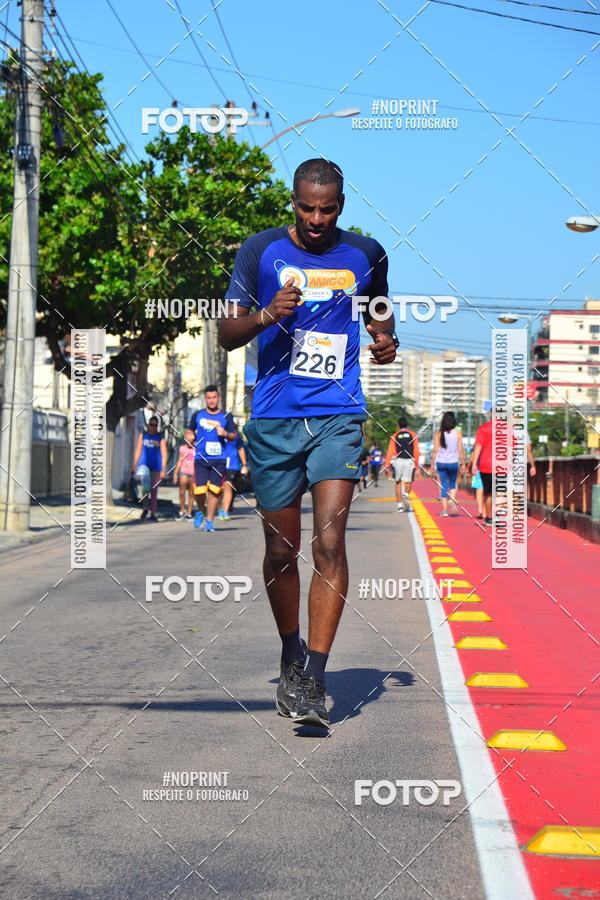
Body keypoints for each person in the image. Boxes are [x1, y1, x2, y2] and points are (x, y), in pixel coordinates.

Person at [218, 158, 397, 728]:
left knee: (330, 544)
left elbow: (380, 312)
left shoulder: (366, 254)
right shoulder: (261, 251)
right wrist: (269, 314)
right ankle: (290, 652)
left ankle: (314, 677)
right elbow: (226, 334)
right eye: (306, 208)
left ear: (341, 205)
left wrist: (385, 340)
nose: (316, 219)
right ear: (293, 203)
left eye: (327, 209)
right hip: (273, 419)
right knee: (280, 551)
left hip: (337, 415)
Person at [188, 386, 238, 533]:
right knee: (199, 490)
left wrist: (226, 433)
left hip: (219, 459)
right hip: (201, 458)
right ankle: (200, 511)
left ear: (219, 398)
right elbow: (189, 430)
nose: (211, 400)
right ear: (205, 399)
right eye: (209, 398)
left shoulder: (226, 416)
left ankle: (209, 521)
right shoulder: (197, 415)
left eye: (214, 397)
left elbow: (233, 435)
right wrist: (189, 436)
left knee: (215, 491)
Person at [131, 415, 167, 522]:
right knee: (146, 489)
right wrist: (133, 465)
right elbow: (138, 451)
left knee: (154, 491)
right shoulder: (143, 436)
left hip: (156, 467)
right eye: (151, 425)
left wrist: (164, 469)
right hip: (143, 466)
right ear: (148, 425)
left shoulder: (160, 438)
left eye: (155, 425)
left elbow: (164, 454)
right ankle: (145, 508)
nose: (153, 427)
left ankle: (153, 512)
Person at [430, 412, 465, 517]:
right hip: (453, 462)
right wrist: (463, 463)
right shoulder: (458, 433)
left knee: (443, 485)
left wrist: (432, 464)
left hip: (441, 462)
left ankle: (444, 510)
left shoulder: (438, 433)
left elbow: (435, 450)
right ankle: (452, 500)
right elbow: (460, 449)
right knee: (453, 483)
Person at [384, 416, 420, 512]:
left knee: (398, 483)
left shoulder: (395, 435)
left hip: (398, 461)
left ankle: (399, 506)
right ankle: (406, 495)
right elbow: (416, 451)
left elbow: (390, 451)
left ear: (398, 425)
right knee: (408, 482)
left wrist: (387, 465)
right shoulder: (413, 435)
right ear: (406, 425)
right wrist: (416, 464)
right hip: (409, 461)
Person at [219, 431, 249, 520]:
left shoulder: (236, 437)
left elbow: (241, 450)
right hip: (219, 463)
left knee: (227, 485)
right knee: (218, 487)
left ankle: (225, 511)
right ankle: (219, 507)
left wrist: (244, 465)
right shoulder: (217, 433)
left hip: (232, 465)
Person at [173, 429, 196, 520]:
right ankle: (182, 510)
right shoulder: (182, 448)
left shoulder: (197, 448)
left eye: (190, 435)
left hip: (193, 473)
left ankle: (189, 513)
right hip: (184, 472)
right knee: (182, 492)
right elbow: (179, 461)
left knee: (192, 494)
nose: (188, 438)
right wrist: (175, 474)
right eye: (186, 436)